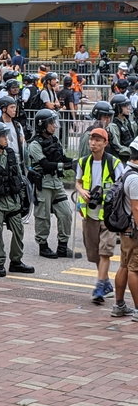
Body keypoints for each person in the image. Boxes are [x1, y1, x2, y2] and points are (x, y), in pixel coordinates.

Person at [0, 123, 34, 277]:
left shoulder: (10, 154)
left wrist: (22, 197)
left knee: (19, 230)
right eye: (3, 136)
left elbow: (18, 176)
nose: (6, 139)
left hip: (11, 200)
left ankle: (16, 261)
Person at [75, 128, 123, 304]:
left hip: (108, 216)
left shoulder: (115, 164)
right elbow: (78, 182)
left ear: (105, 143)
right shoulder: (83, 162)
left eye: (97, 140)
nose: (93, 143)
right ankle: (106, 284)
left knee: (105, 252)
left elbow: (122, 186)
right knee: (94, 253)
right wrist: (82, 191)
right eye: (91, 140)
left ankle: (100, 285)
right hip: (90, 214)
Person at [29, 109, 78, 259]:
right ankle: (43, 246)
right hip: (44, 185)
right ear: (42, 124)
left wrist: (79, 162)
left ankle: (62, 247)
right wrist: (65, 166)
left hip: (56, 183)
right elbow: (45, 164)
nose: (55, 126)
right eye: (51, 123)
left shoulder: (54, 140)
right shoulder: (35, 144)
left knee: (66, 214)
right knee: (43, 217)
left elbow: (63, 157)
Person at [111, 137, 138, 320]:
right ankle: (137, 309)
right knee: (134, 269)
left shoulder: (126, 170)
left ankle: (119, 305)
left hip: (125, 228)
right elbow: (136, 208)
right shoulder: (135, 179)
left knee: (124, 265)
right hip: (133, 229)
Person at [106, 94, 138, 163]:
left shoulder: (128, 122)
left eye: (128, 105)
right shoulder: (113, 126)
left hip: (131, 158)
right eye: (124, 106)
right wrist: (133, 151)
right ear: (117, 107)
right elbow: (118, 147)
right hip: (121, 160)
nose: (128, 108)